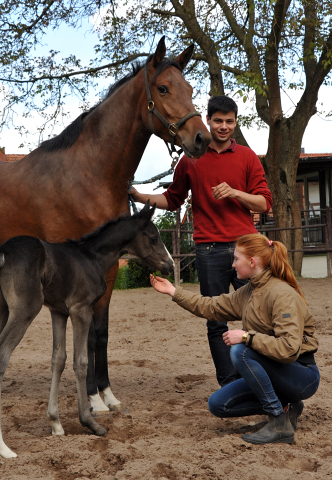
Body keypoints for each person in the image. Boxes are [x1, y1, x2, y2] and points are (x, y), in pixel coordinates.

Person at [130, 95, 273, 387]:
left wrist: (235, 193)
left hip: (246, 249)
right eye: (218, 121)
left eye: (229, 121)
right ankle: (230, 383)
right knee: (216, 320)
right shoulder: (190, 159)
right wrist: (139, 196)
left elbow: (263, 204)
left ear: (236, 122)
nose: (223, 127)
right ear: (208, 121)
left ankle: (264, 376)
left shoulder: (247, 157)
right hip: (208, 251)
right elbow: (172, 199)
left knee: (259, 313)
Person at [149, 234, 320, 445]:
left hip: (301, 375)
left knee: (240, 351)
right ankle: (287, 405)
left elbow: (289, 349)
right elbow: (211, 307)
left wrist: (247, 337)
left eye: (236, 258)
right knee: (218, 404)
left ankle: (278, 420)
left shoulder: (281, 294)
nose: (232, 264)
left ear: (252, 261)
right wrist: (173, 292)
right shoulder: (248, 291)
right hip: (275, 373)